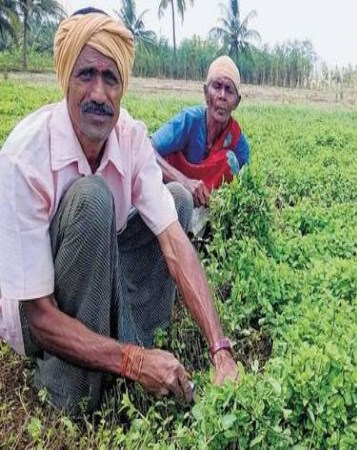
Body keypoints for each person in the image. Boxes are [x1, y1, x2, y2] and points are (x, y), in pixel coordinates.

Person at [0, 8, 237, 416]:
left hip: (102, 273)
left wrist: (221, 350)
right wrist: (133, 362)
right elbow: (38, 315)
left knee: (177, 201)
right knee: (92, 201)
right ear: (65, 80)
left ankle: (132, 343)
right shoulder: (24, 159)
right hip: (44, 316)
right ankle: (75, 384)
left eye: (110, 78)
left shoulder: (130, 136)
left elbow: (175, 244)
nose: (98, 94)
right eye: (86, 74)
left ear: (122, 87)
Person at [152, 55, 250, 240]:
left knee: (231, 162)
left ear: (236, 102)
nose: (222, 96)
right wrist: (184, 181)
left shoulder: (237, 141)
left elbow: (246, 188)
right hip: (170, 197)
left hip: (206, 210)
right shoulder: (189, 120)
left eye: (229, 90)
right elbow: (145, 149)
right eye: (217, 86)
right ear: (206, 93)